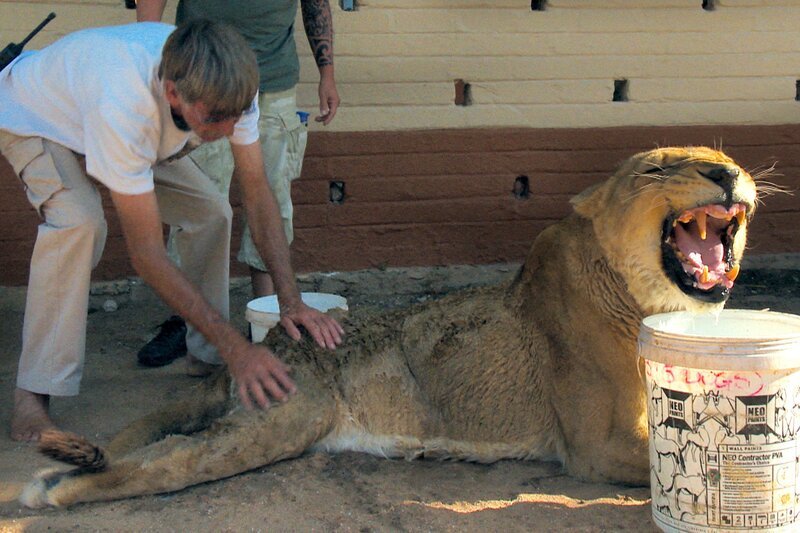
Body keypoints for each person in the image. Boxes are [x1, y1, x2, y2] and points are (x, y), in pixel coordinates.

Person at [0, 19, 344, 442]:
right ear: (172, 94)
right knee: (80, 222)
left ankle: (209, 356)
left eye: (234, 118)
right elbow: (146, 256)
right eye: (215, 119)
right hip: (36, 116)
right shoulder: (123, 105)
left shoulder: (233, 87)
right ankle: (31, 398)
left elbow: (257, 193)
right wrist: (240, 347)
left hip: (121, 116)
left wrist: (291, 301)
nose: (225, 132)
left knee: (212, 212)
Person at [134, 0, 340, 368]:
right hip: (202, 79)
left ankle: (268, 315)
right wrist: (151, 50)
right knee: (199, 205)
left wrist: (328, 72)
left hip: (273, 80)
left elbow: (315, 4)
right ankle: (186, 322)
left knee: (272, 197)